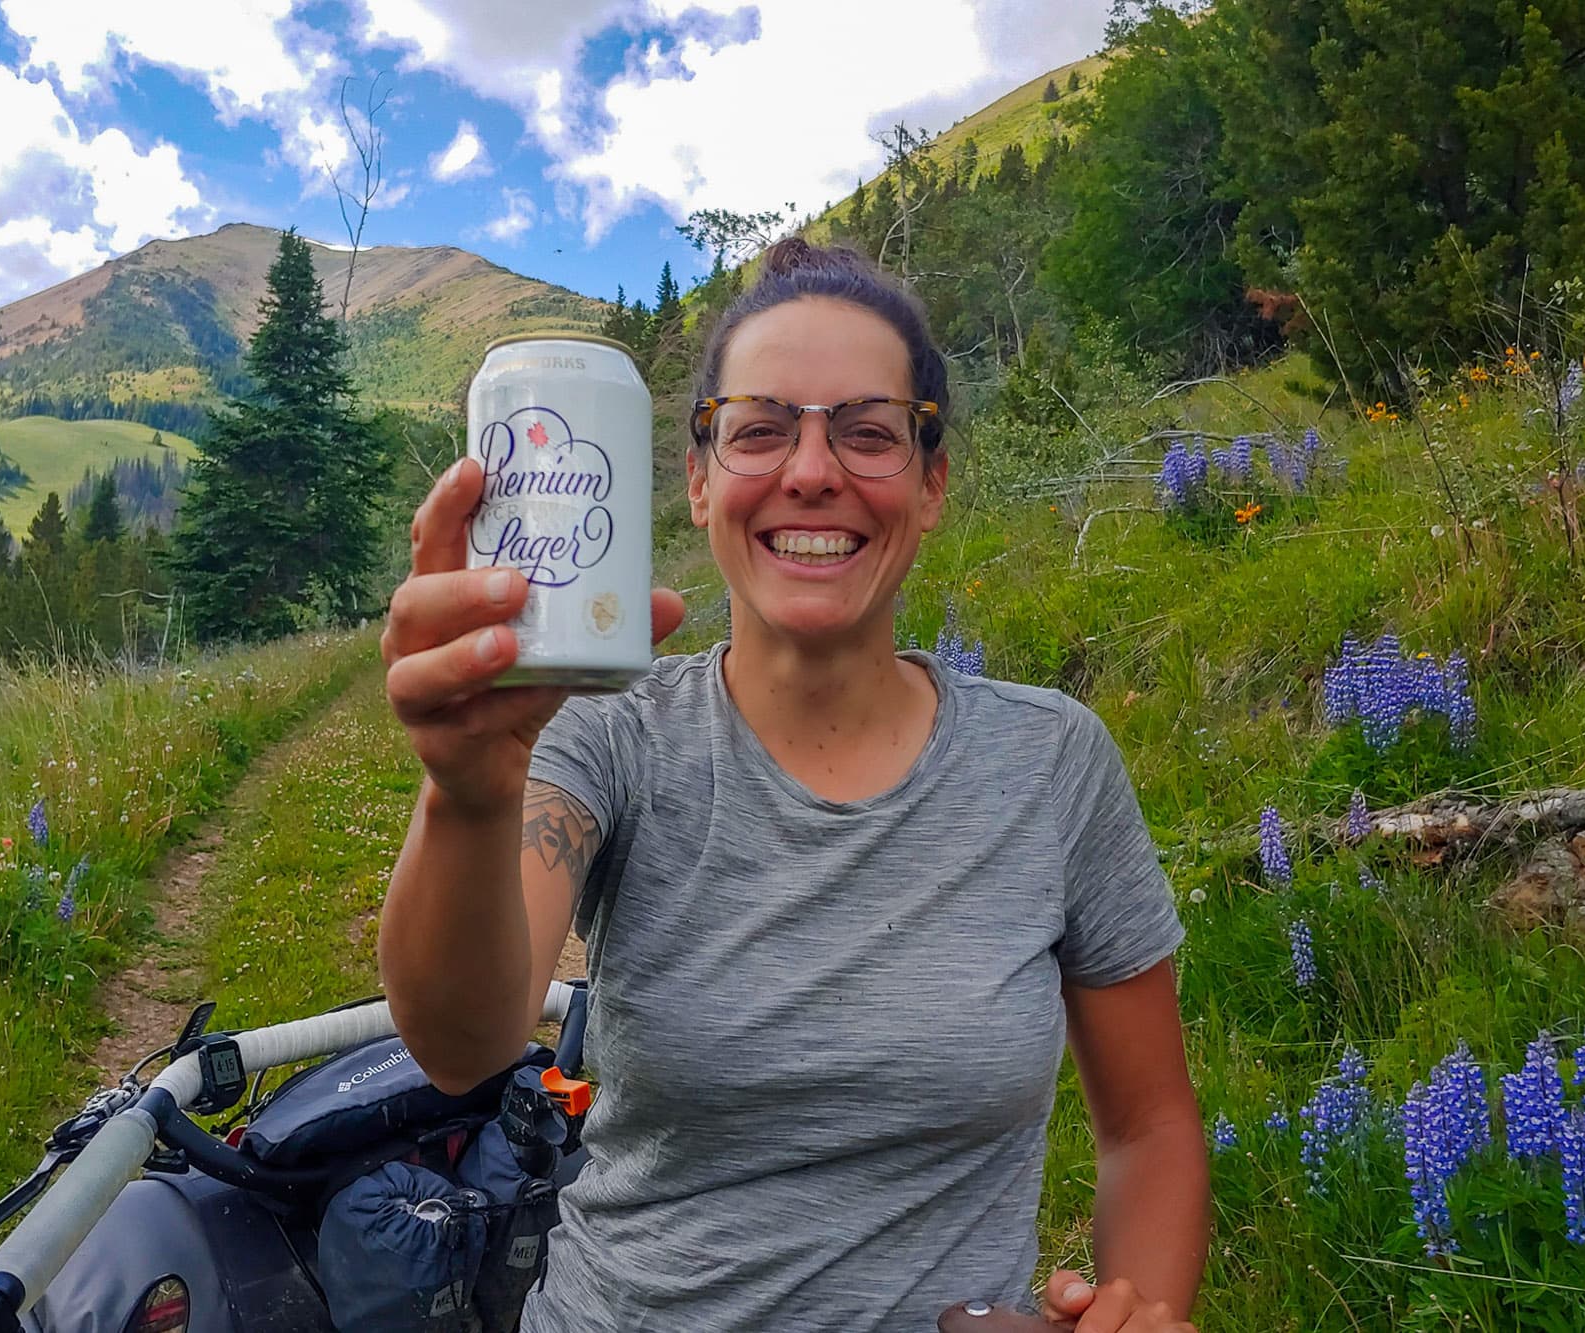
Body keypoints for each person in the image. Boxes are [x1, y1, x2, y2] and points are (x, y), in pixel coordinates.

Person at [378, 238, 1209, 1332]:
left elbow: (1148, 1127)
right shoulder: (602, 731)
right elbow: (463, 1040)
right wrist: (469, 795)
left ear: (932, 480)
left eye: (866, 432)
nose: (811, 471)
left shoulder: (1052, 763)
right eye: (760, 429)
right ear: (696, 475)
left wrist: (1134, 1311)